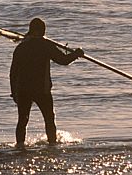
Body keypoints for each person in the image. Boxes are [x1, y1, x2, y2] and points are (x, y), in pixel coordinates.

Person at [9, 17, 83, 148]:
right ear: (42, 31)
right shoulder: (46, 46)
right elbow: (63, 60)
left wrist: (14, 92)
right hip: (41, 90)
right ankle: (52, 145)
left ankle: (20, 146)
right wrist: (77, 54)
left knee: (22, 120)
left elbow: (13, 72)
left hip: (22, 89)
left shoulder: (21, 47)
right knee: (49, 119)